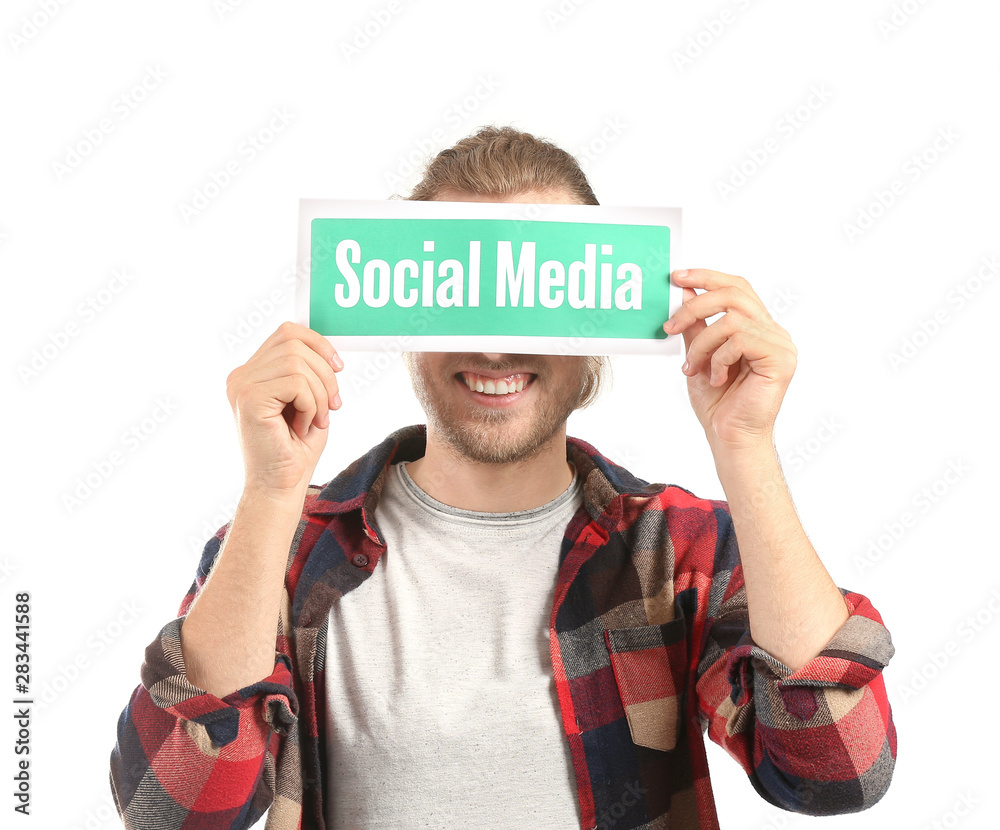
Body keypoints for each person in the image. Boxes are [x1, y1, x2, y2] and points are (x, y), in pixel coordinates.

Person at [110, 126, 895, 830]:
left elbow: (836, 771)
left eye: (531, 310)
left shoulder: (678, 548)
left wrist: (747, 444)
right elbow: (176, 809)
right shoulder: (285, 546)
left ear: (597, 332)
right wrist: (270, 492)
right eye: (464, 306)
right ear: (409, 316)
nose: (493, 351)